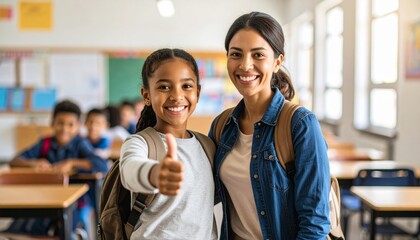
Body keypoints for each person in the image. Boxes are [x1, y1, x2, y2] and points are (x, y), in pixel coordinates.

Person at [208, 12, 330, 239]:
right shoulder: (222, 125)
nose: (245, 65)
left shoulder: (300, 124)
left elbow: (314, 225)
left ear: (277, 62)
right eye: (236, 54)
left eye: (258, 55)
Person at [119, 48, 217, 239]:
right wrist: (154, 174)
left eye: (186, 86)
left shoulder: (207, 146)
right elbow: (129, 170)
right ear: (146, 95)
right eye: (164, 87)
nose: (176, 96)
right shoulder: (140, 142)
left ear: (197, 92)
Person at [9, 100, 109, 238]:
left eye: (70, 124)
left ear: (78, 126)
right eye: (60, 123)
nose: (64, 129)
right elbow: (15, 161)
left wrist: (71, 163)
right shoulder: (45, 143)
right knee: (25, 227)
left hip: (74, 202)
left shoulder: (80, 144)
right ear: (52, 123)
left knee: (66, 229)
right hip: (44, 198)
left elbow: (101, 165)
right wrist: (34, 163)